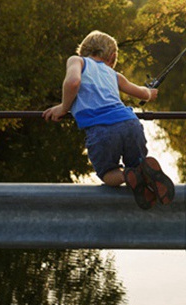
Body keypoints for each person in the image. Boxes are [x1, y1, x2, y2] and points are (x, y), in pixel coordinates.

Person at [42, 30, 175, 210]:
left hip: (101, 129)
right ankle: (141, 171)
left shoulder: (77, 61)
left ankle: (127, 175)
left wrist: (63, 107)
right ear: (112, 57)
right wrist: (150, 93)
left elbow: (73, 82)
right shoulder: (114, 75)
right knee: (137, 162)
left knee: (107, 174)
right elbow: (142, 93)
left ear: (83, 51)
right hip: (130, 123)